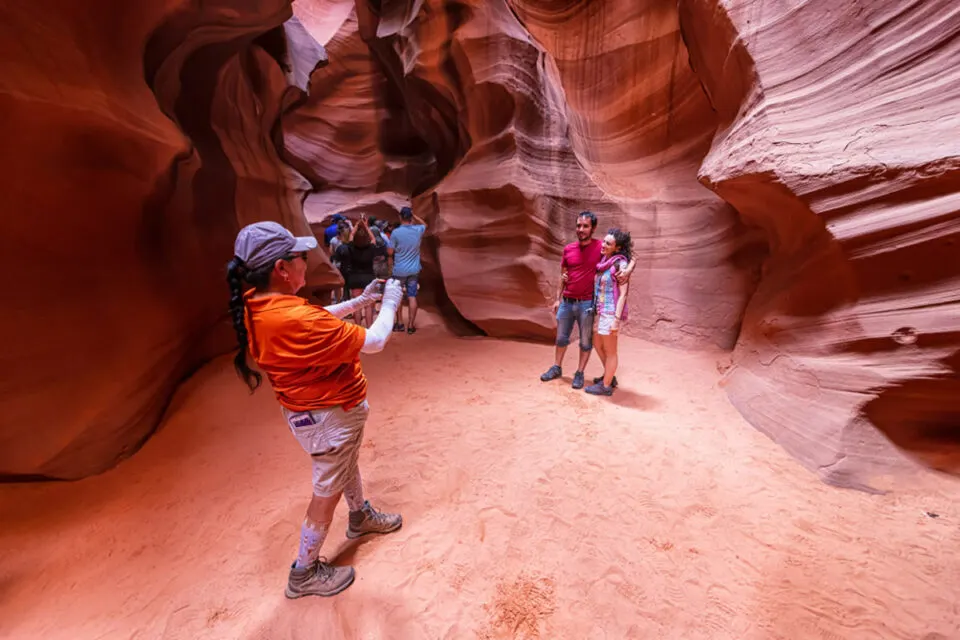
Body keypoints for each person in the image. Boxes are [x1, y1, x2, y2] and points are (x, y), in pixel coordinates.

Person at [226, 220, 405, 599]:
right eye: (301, 257)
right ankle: (303, 572)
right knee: (326, 492)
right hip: (328, 416)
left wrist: (359, 301)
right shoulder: (295, 318)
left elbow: (314, 321)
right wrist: (390, 302)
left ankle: (359, 517)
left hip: (314, 414)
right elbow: (373, 341)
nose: (307, 263)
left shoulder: (260, 304)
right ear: (282, 269)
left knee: (345, 464)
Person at [540, 211, 635, 389]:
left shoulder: (601, 247)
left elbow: (627, 256)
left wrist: (629, 268)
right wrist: (557, 299)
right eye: (578, 226)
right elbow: (563, 275)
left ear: (593, 228)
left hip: (586, 304)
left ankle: (580, 373)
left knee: (585, 341)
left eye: (585, 226)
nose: (581, 229)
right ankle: (557, 367)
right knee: (561, 338)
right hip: (567, 302)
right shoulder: (568, 249)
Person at [586, 228, 632, 396]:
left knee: (611, 351)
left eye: (608, 243)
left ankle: (605, 386)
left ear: (617, 248)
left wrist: (616, 319)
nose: (603, 245)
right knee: (597, 343)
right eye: (604, 241)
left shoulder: (620, 264)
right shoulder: (604, 261)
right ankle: (609, 376)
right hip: (601, 311)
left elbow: (623, 294)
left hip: (611, 312)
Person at [341, 215, 389, 328]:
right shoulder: (371, 248)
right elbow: (373, 239)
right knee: (369, 306)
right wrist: (366, 225)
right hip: (368, 278)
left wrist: (358, 224)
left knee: (357, 306)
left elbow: (351, 236)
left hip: (355, 278)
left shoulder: (351, 247)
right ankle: (369, 328)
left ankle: (358, 328)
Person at [390, 206, 427, 334]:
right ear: (411, 218)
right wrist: (414, 214)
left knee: (398, 296)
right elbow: (424, 224)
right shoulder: (418, 230)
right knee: (412, 296)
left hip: (399, 270)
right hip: (413, 270)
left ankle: (399, 322)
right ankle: (410, 325)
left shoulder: (395, 233)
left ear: (400, 217)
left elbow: (390, 251)